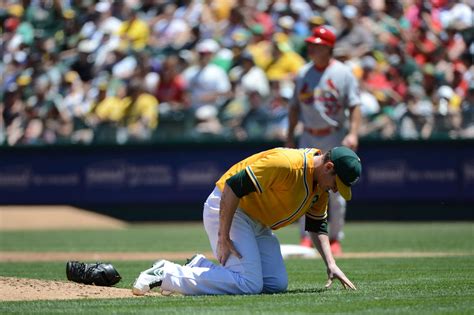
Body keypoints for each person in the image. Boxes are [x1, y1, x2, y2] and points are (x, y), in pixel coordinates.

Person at [132, 146, 361, 296]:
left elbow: (316, 224)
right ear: (329, 167)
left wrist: (330, 264)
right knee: (249, 284)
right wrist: (223, 235)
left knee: (275, 284)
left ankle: (199, 266)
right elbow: (233, 186)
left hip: (257, 222)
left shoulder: (320, 186)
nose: (336, 190)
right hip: (228, 209)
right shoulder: (287, 164)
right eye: (337, 184)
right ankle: (167, 274)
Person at [285, 26, 361, 255]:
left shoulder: (343, 73)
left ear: (328, 48)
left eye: (316, 44)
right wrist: (290, 134)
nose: (311, 47)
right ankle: (305, 237)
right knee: (303, 185)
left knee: (336, 190)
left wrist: (354, 132)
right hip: (308, 135)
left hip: (334, 134)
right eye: (310, 44)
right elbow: (294, 107)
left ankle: (335, 237)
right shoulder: (303, 72)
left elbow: (355, 105)